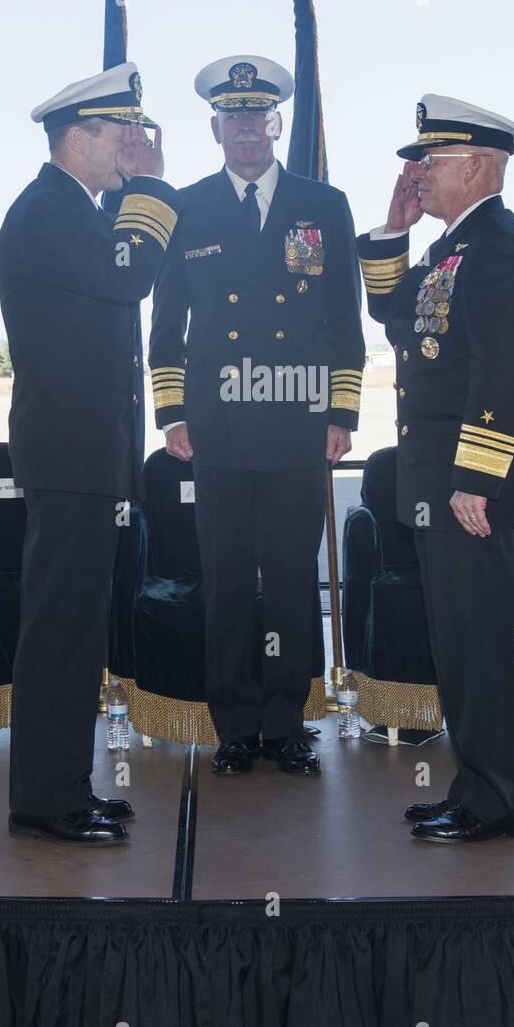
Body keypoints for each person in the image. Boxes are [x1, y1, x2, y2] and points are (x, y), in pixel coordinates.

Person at [149, 55, 365, 776]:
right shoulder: (186, 206)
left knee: (292, 579)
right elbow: (167, 321)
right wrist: (171, 412)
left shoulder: (323, 204)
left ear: (274, 123)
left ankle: (287, 721)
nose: (246, 129)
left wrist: (342, 412)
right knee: (229, 578)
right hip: (220, 425)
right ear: (215, 127)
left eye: (257, 116)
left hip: (299, 421)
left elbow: (344, 318)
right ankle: (236, 726)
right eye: (232, 117)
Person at [0, 63, 180, 845]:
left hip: (88, 456)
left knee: (77, 630)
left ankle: (63, 786)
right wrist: (155, 187)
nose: (130, 147)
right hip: (69, 457)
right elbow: (131, 276)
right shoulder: (48, 212)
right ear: (78, 138)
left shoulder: (75, 210)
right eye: (119, 135)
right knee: (60, 631)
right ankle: (45, 798)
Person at [356, 94, 514, 842]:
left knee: (484, 645)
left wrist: (477, 479)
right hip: (442, 482)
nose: (418, 174)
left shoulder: (501, 247)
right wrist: (394, 233)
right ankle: (475, 789)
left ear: (479, 167)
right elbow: (394, 318)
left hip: (472, 487)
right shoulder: (450, 248)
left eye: (430, 163)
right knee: (460, 644)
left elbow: (502, 373)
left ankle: (498, 801)